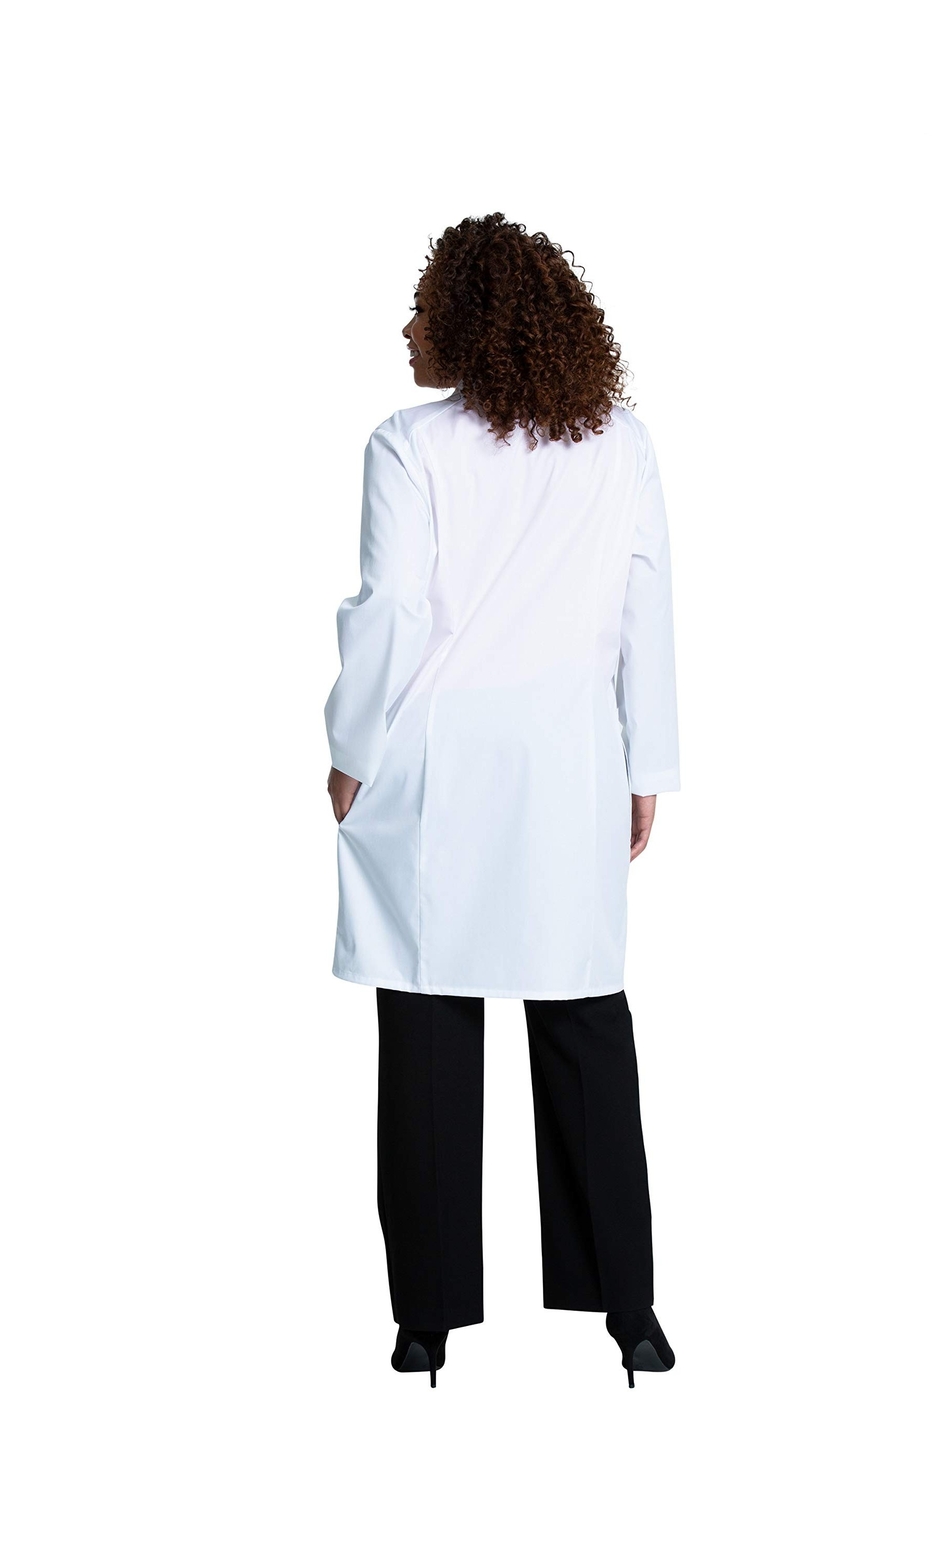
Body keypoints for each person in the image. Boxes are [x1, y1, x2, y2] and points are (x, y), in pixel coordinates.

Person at [324, 213, 680, 1388]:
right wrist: (644, 766)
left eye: (425, 306)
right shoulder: (618, 443)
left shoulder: (407, 444)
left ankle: (425, 1321)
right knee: (582, 1021)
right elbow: (645, 610)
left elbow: (392, 610)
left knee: (430, 1028)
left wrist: (349, 746)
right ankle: (628, 1312)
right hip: (570, 764)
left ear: (472, 323)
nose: (407, 326)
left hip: (435, 769)